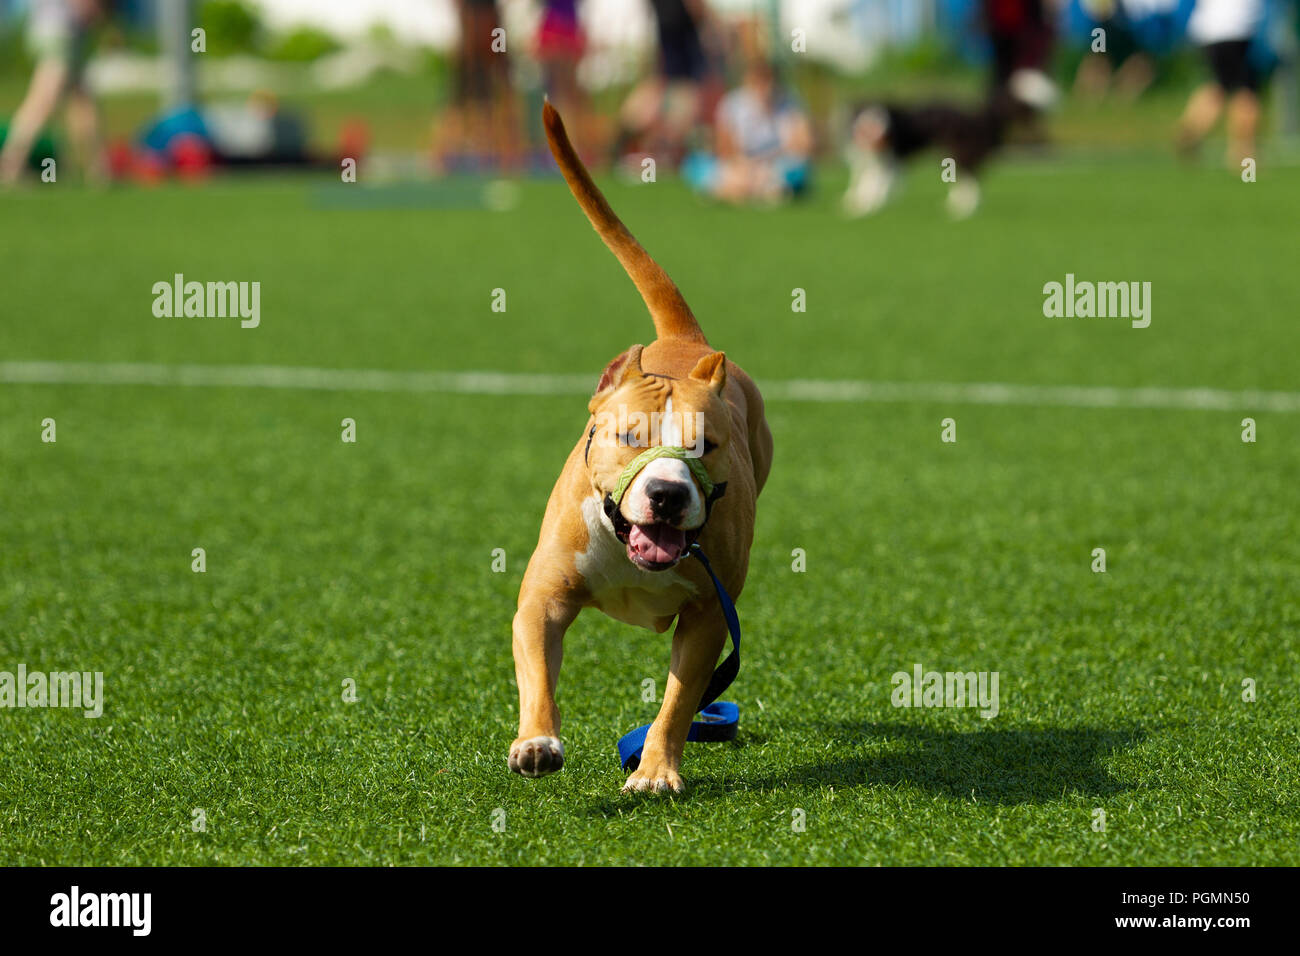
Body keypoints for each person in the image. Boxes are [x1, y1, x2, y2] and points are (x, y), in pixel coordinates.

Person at [0, 0, 107, 185]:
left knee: (82, 103)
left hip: (57, 32)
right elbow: (85, 7)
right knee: (43, 102)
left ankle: (97, 171)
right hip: (58, 33)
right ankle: (10, 166)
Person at [683, 60, 812, 205]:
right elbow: (725, 148)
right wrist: (745, 165)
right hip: (742, 164)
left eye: (768, 81)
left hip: (775, 164)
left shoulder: (790, 103)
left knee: (795, 170)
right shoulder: (733, 104)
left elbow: (802, 146)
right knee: (698, 165)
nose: (765, 88)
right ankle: (754, 190)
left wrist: (765, 164)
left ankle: (742, 191)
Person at [611, 0, 716, 168]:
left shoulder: (685, 10)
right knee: (634, 116)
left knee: (676, 128)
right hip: (664, 77)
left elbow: (702, 23)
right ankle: (625, 157)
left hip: (686, 77)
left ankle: (664, 158)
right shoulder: (658, 8)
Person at [1177, 0, 1267, 167]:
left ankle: (1190, 133)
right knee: (1246, 90)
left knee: (1222, 86)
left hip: (1211, 28)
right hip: (1234, 28)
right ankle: (1244, 155)